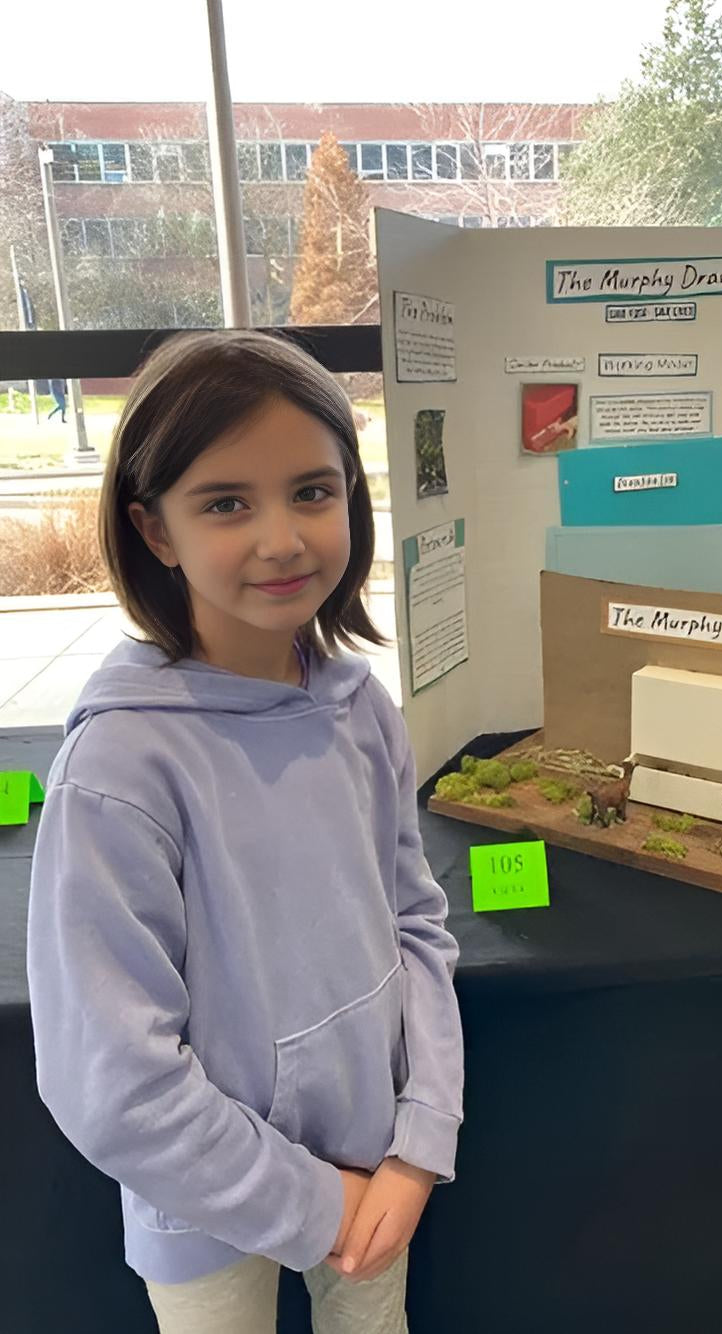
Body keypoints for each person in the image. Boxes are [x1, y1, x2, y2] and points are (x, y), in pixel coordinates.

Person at [26, 330, 464, 1334]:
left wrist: (416, 1141)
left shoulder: (361, 709)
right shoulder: (123, 764)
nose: (282, 538)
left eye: (313, 491)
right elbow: (113, 1078)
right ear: (156, 528)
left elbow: (417, 926)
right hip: (210, 1203)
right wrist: (316, 1203)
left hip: (377, 1171)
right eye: (227, 502)